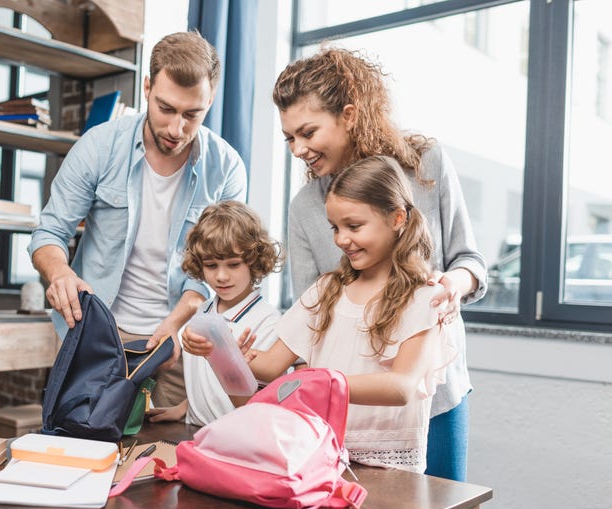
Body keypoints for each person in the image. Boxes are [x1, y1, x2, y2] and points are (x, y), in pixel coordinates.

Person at [272, 48, 486, 482]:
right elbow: (310, 319)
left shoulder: (426, 165)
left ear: (349, 115)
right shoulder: (305, 207)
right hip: (352, 414)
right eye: (289, 138)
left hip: (435, 396)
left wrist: (452, 285)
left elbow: (470, 262)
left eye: (307, 132)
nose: (298, 149)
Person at [185, 156, 458, 474]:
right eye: (336, 228)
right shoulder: (326, 290)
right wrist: (221, 353)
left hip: (388, 471)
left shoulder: (425, 298)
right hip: (319, 459)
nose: (341, 239)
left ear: (397, 218)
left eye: (353, 226)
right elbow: (272, 366)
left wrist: (322, 383)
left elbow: (401, 387)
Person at [28, 32, 247, 408]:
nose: (176, 129)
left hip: (177, 337)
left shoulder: (226, 168)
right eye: (166, 109)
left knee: (164, 456)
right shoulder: (98, 146)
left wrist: (176, 325)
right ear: (147, 88)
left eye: (192, 114)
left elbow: (213, 271)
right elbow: (49, 232)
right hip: (94, 332)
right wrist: (60, 274)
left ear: (209, 101)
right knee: (81, 443)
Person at [150, 200, 283, 426]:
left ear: (254, 262)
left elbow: (259, 401)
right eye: (211, 265)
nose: (221, 276)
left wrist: (225, 354)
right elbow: (207, 382)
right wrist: (185, 408)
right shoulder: (202, 311)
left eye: (233, 265)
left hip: (236, 437)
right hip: (193, 429)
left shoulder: (268, 321)